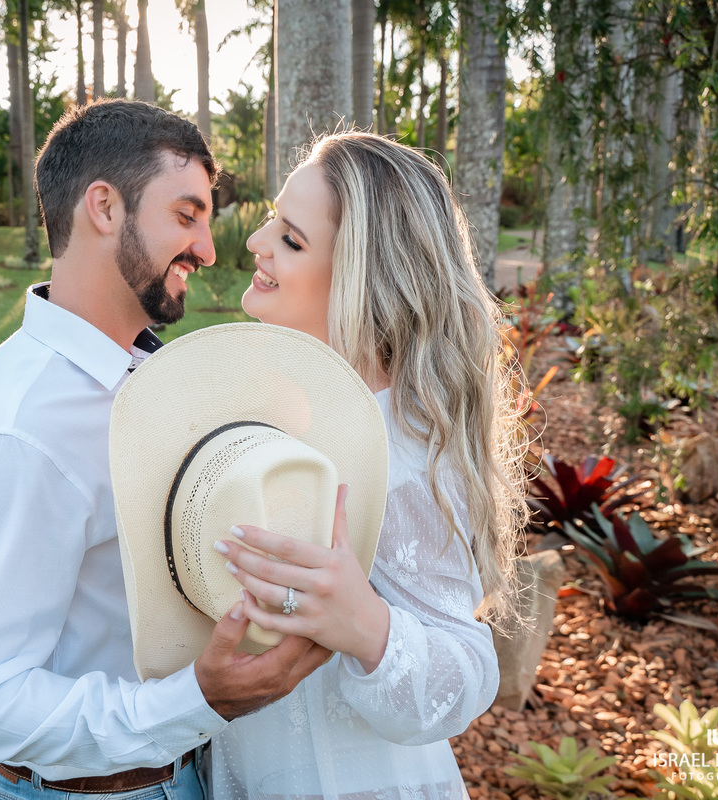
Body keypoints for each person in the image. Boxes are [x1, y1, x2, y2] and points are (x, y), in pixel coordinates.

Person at [0, 99, 331, 800]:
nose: (207, 250)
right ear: (105, 208)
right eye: (186, 215)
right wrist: (195, 701)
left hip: (191, 773)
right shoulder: (17, 431)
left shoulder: (150, 377)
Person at [210, 131, 529, 800]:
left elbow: (468, 671)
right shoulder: (292, 415)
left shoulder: (398, 450)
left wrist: (368, 627)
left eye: (292, 239)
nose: (256, 242)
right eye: (274, 217)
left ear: (361, 277)